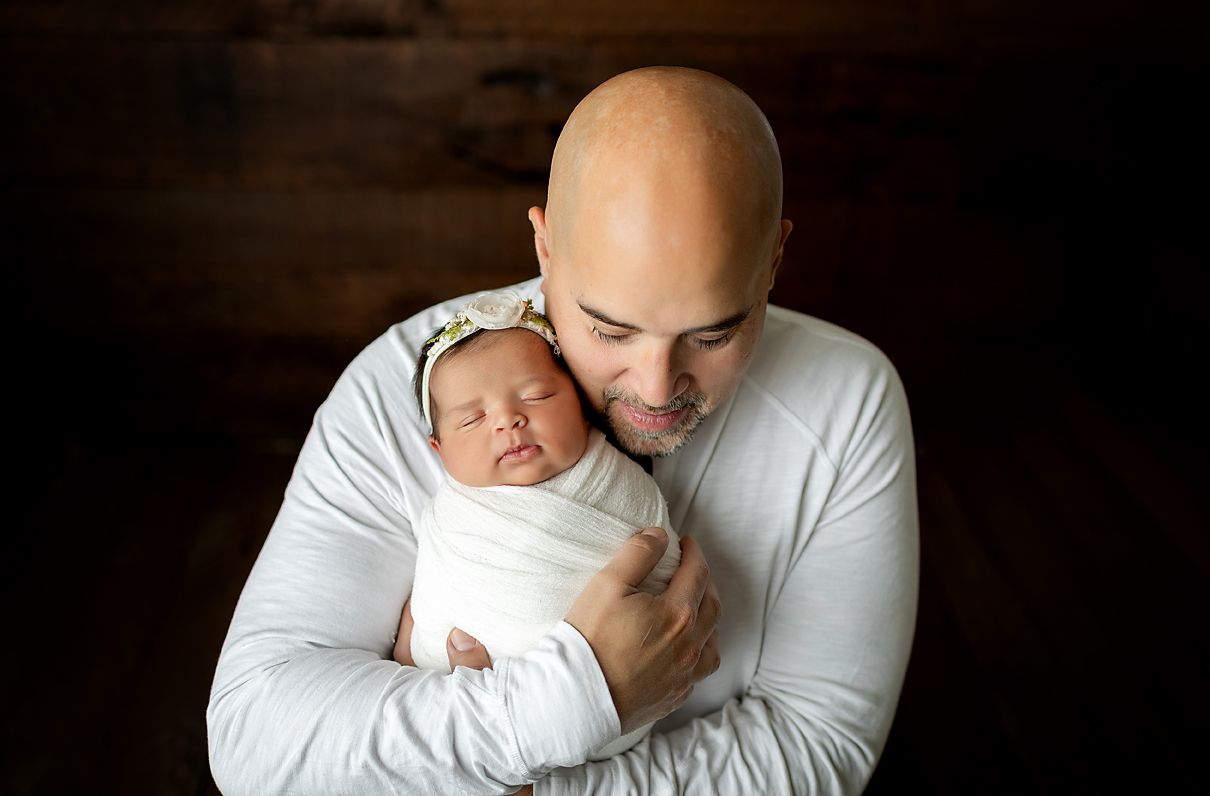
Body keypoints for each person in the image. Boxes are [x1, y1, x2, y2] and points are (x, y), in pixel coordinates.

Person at [207, 66, 919, 795]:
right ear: (545, 250)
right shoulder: (405, 387)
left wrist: (511, 781)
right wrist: (578, 696)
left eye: (712, 336)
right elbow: (255, 744)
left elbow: (817, 749)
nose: (654, 386)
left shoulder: (848, 401)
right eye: (610, 328)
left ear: (774, 257)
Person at [397, 290, 681, 760]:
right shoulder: (449, 517)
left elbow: (664, 578)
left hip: (627, 702)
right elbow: (428, 596)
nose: (508, 420)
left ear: (581, 405)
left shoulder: (617, 482)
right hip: (460, 716)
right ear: (439, 449)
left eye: (537, 395)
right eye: (472, 419)